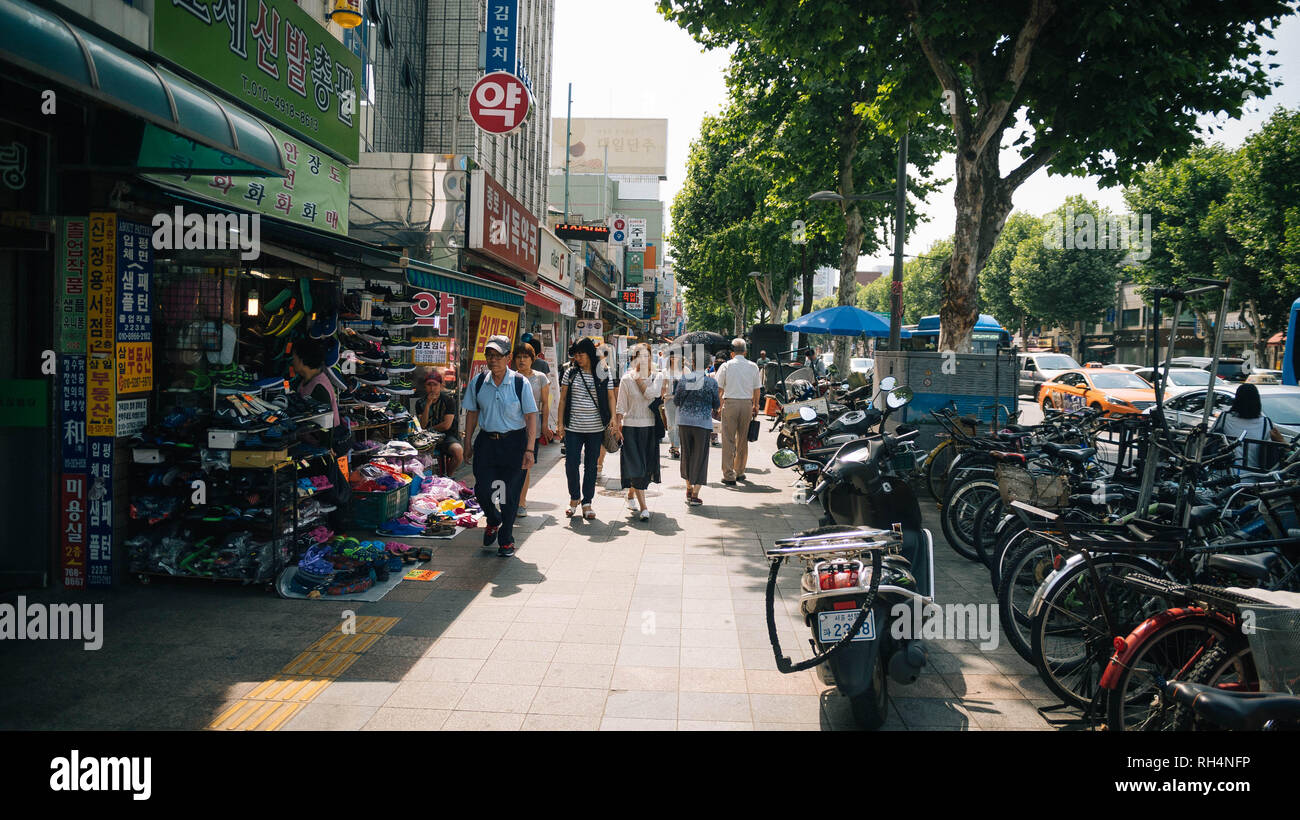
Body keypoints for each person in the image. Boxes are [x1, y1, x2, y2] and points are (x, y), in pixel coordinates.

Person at [462, 335, 538, 557]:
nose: (493, 360)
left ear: (508, 358)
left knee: (509, 494)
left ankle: (506, 538)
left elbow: (531, 416)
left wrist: (530, 449)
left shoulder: (518, 382)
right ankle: (492, 519)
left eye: (498, 356)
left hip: (514, 443)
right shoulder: (479, 381)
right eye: (489, 355)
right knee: (483, 490)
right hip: (486, 443)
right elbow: (472, 412)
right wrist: (467, 442)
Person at [555, 337, 615, 520]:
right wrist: (560, 423)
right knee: (571, 464)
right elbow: (563, 399)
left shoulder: (603, 372)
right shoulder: (570, 373)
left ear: (589, 354)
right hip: (573, 427)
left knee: (591, 466)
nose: (577, 358)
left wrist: (613, 418)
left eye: (581, 354)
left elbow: (611, 397)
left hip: (595, 428)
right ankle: (574, 498)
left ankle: (587, 502)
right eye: (576, 355)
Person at [617, 344, 664, 521]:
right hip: (630, 428)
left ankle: (631, 494)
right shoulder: (626, 379)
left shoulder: (657, 376)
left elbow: (652, 393)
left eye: (646, 356)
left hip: (650, 427)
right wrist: (617, 425)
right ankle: (644, 507)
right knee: (636, 466)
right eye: (639, 356)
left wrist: (639, 381)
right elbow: (620, 404)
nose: (643, 359)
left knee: (645, 467)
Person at [715, 337, 762, 485]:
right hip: (747, 404)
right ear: (745, 352)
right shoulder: (753, 366)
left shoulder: (726, 366)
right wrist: (756, 405)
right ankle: (740, 471)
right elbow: (757, 389)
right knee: (742, 439)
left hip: (730, 404)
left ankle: (729, 475)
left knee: (728, 439)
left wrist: (718, 405)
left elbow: (719, 389)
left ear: (732, 353)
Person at [674, 357, 720, 505]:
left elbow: (676, 401)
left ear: (692, 364)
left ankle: (688, 487)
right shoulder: (711, 383)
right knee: (700, 457)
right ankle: (695, 494)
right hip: (702, 423)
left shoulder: (684, 379)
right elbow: (716, 403)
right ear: (708, 365)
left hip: (685, 422)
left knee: (686, 454)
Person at [1210, 382, 1286, 470]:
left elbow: (1210, 437)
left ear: (1237, 400)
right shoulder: (1266, 423)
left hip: (1225, 474)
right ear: (1257, 401)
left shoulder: (1224, 418)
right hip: (1254, 475)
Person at [513, 343, 551, 514]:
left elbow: (545, 402)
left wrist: (544, 425)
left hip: (532, 428)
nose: (522, 360)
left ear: (532, 359)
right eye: (519, 357)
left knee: (525, 465)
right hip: (511, 426)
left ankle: (521, 502)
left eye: (525, 357)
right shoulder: (510, 377)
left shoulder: (540, 377)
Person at [417, 369, 463, 473]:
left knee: (458, 451)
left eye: (435, 385)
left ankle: (449, 475)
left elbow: (446, 425)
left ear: (440, 386)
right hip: (426, 437)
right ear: (425, 386)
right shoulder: (420, 402)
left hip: (446, 436)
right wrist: (428, 405)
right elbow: (422, 425)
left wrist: (429, 429)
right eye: (429, 384)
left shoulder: (448, 401)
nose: (432, 388)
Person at [662, 349, 684, 459]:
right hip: (669, 400)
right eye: (672, 357)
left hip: (680, 401)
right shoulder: (666, 371)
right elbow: (663, 386)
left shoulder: (684, 370)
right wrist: (663, 394)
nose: (674, 359)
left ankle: (675, 448)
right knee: (670, 425)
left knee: (677, 425)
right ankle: (672, 445)